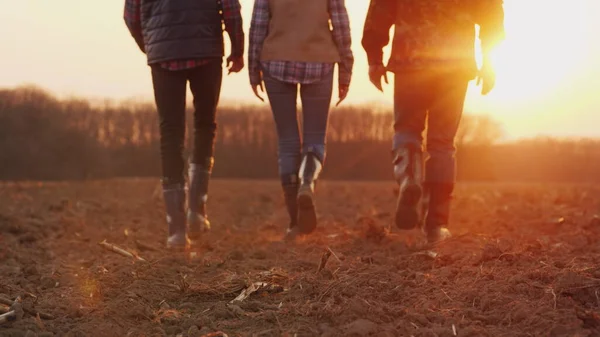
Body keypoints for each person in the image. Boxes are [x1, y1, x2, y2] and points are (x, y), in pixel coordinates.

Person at [362, 0, 505, 243]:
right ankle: (437, 225)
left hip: (410, 59)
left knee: (407, 129)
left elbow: (380, 10)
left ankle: (409, 178)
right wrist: (488, 62)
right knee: (443, 144)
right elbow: (491, 14)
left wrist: (375, 59)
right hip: (455, 64)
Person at [124, 0, 245, 249]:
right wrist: (237, 48)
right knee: (205, 124)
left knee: (170, 133)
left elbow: (131, 17)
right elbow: (231, 9)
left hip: (163, 55)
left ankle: (176, 231)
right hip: (206, 50)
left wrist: (152, 45)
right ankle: (197, 211)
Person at [249, 0, 354, 240]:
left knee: (287, 142)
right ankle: (307, 183)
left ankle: (295, 222)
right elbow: (341, 25)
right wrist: (346, 67)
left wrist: (254, 69)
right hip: (320, 60)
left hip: (276, 59)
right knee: (315, 138)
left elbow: (258, 26)